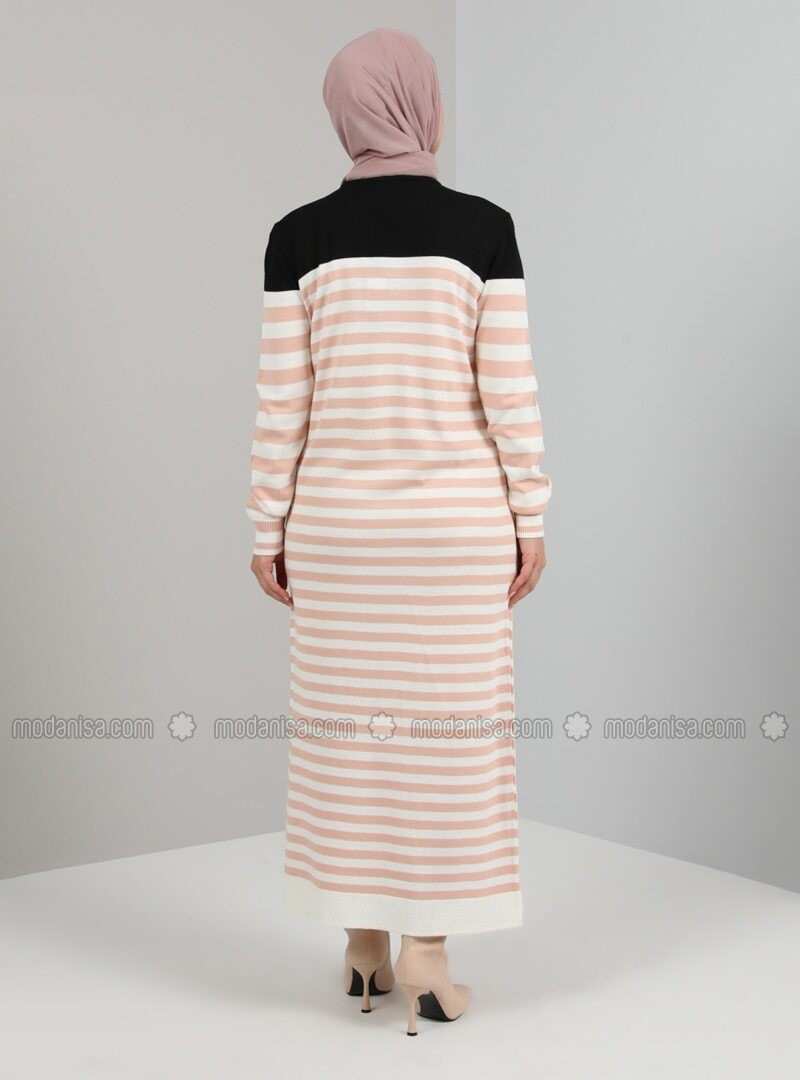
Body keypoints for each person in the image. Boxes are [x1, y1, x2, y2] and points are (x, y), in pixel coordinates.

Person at [247, 27, 551, 1036]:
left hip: (338, 534)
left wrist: (266, 523)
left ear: (345, 113)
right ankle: (428, 953)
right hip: (455, 533)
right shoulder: (484, 230)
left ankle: (362, 948)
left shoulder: (295, 238)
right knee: (449, 741)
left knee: (346, 737)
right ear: (423, 105)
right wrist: (529, 515)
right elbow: (509, 394)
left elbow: (281, 405)